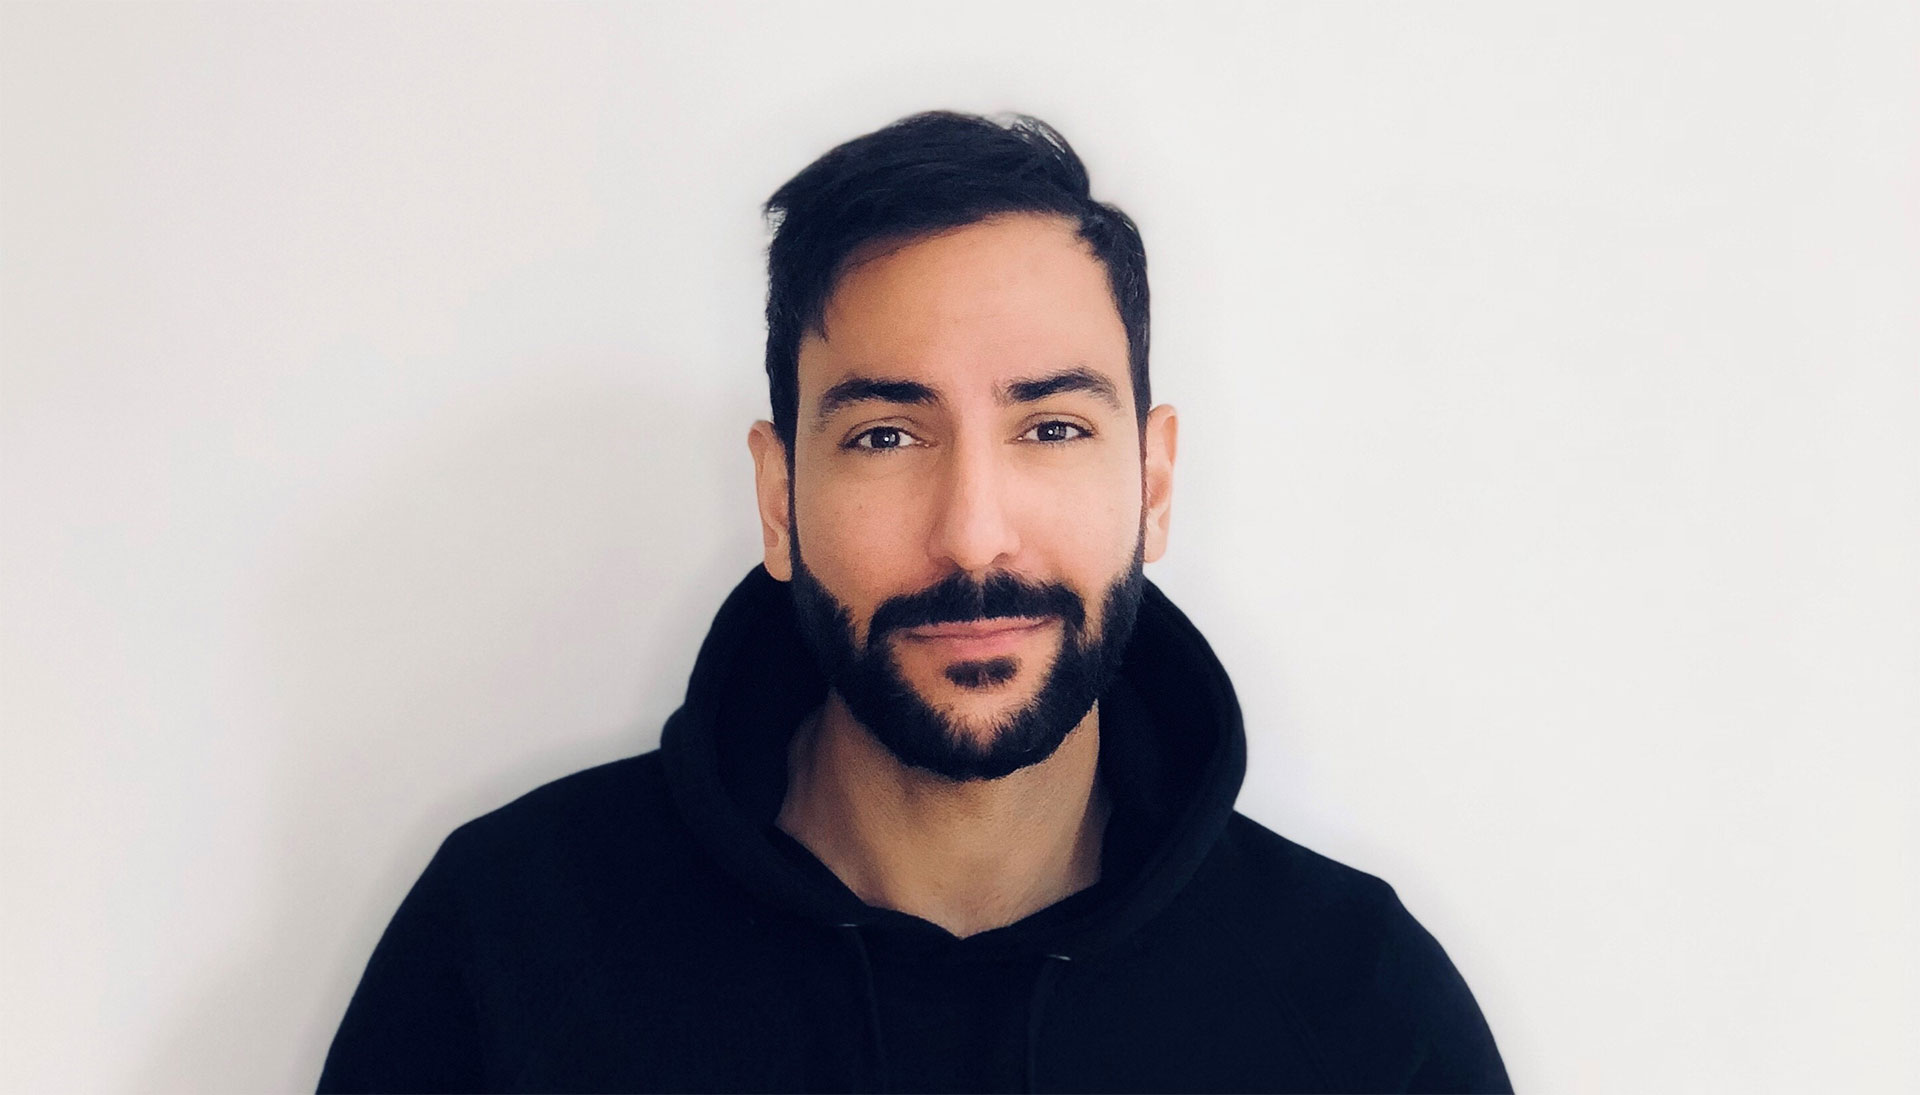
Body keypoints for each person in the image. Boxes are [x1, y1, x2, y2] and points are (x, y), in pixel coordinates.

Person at [318, 110, 1511, 1094]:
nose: (972, 533)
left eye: (1052, 428)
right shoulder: (511, 943)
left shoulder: (1363, 1008)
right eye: (886, 435)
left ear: (1152, 486)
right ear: (779, 499)